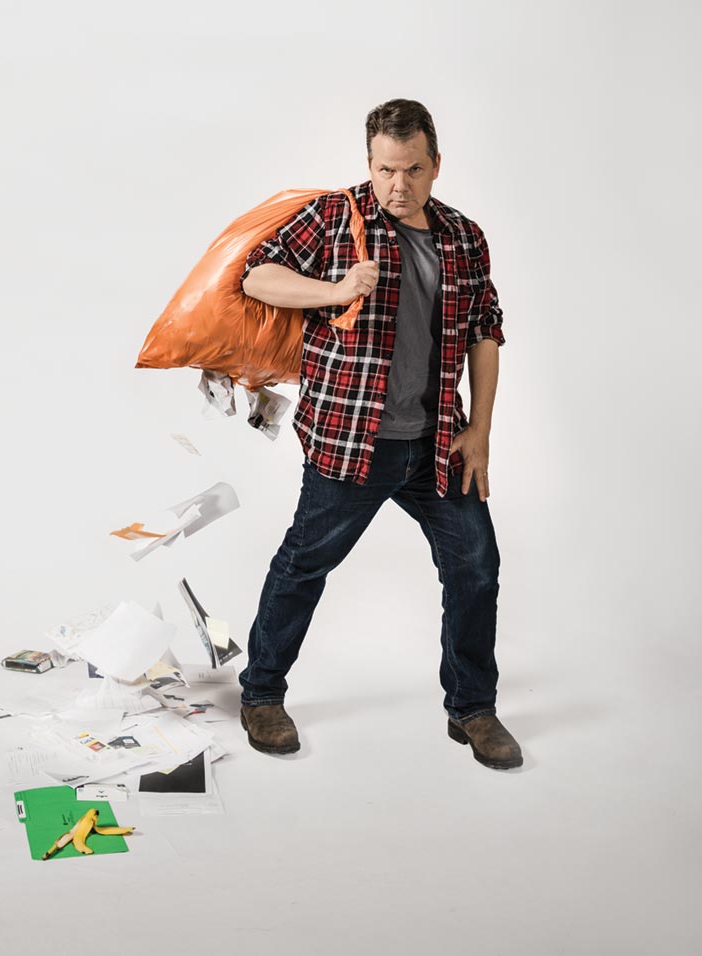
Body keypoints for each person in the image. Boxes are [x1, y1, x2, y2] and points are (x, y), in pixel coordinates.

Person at [235, 99, 520, 770]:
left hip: (438, 444)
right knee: (305, 564)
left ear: (435, 164)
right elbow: (256, 274)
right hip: (350, 439)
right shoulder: (336, 217)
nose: (399, 184)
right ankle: (262, 695)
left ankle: (473, 709)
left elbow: (486, 330)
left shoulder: (463, 236)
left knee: (477, 568)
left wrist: (479, 428)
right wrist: (334, 289)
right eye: (386, 169)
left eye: (413, 169)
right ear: (370, 163)